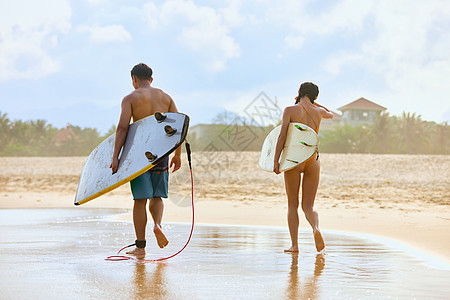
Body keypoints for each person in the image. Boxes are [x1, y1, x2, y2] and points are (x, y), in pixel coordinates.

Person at [110, 63, 181, 256]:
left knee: (140, 200)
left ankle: (140, 247)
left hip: (139, 156)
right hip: (162, 154)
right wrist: (178, 155)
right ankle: (157, 225)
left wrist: (115, 157)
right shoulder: (166, 97)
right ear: (151, 79)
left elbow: (123, 128)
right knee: (157, 196)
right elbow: (178, 128)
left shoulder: (130, 98)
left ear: (133, 79)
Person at [273, 82, 333, 253]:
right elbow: (331, 114)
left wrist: (276, 160)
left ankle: (295, 245)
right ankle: (315, 228)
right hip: (313, 159)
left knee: (292, 204)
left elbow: (282, 136)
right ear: (315, 96)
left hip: (294, 158)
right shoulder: (319, 112)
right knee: (309, 206)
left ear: (299, 92)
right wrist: (316, 104)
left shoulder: (290, 110)